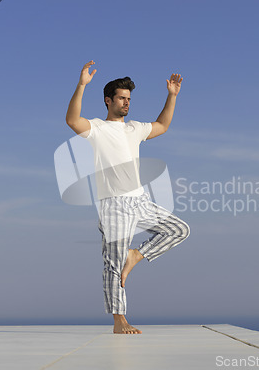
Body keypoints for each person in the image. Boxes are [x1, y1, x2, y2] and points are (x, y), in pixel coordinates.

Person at [65, 60, 190, 334]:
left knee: (179, 229)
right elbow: (72, 119)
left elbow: (162, 125)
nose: (126, 102)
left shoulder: (135, 128)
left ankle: (137, 255)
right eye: (121, 98)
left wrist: (171, 96)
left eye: (129, 99)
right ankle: (119, 320)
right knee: (112, 263)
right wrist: (82, 85)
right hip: (114, 206)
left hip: (140, 201)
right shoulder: (97, 128)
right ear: (108, 101)